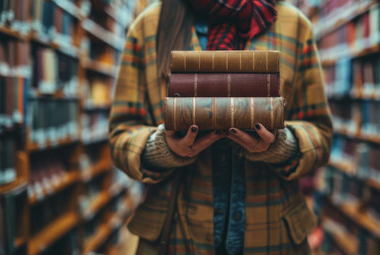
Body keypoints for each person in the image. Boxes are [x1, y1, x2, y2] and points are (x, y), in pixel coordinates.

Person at [109, 0, 332, 254]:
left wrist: (282, 144)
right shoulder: (149, 26)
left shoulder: (294, 25)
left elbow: (321, 135)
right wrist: (163, 147)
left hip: (273, 234)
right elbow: (120, 136)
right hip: (175, 235)